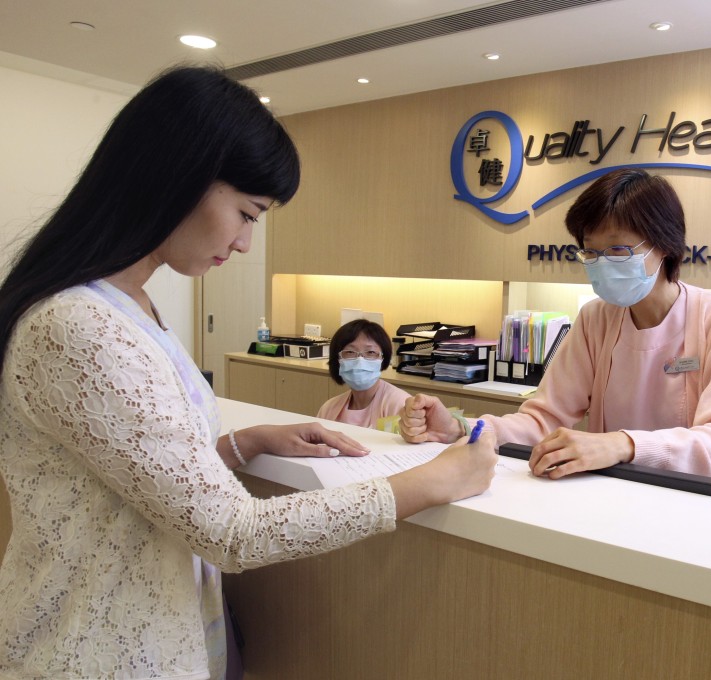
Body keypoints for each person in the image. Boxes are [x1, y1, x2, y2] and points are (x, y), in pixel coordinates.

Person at [0, 65, 496, 680]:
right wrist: (433, 482)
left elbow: (130, 473)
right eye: (247, 212)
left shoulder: (130, 308)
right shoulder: (79, 326)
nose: (243, 243)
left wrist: (243, 444)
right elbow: (234, 534)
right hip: (90, 654)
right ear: (179, 178)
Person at [400, 168, 711, 503]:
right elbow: (543, 420)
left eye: (618, 249)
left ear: (663, 245)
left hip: (704, 505)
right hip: (617, 494)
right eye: (591, 251)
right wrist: (462, 427)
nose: (602, 263)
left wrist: (621, 445)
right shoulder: (596, 319)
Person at [318, 319, 411, 428]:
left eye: (370, 352)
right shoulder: (329, 408)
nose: (360, 361)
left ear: (383, 358)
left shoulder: (400, 405)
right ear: (337, 359)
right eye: (350, 352)